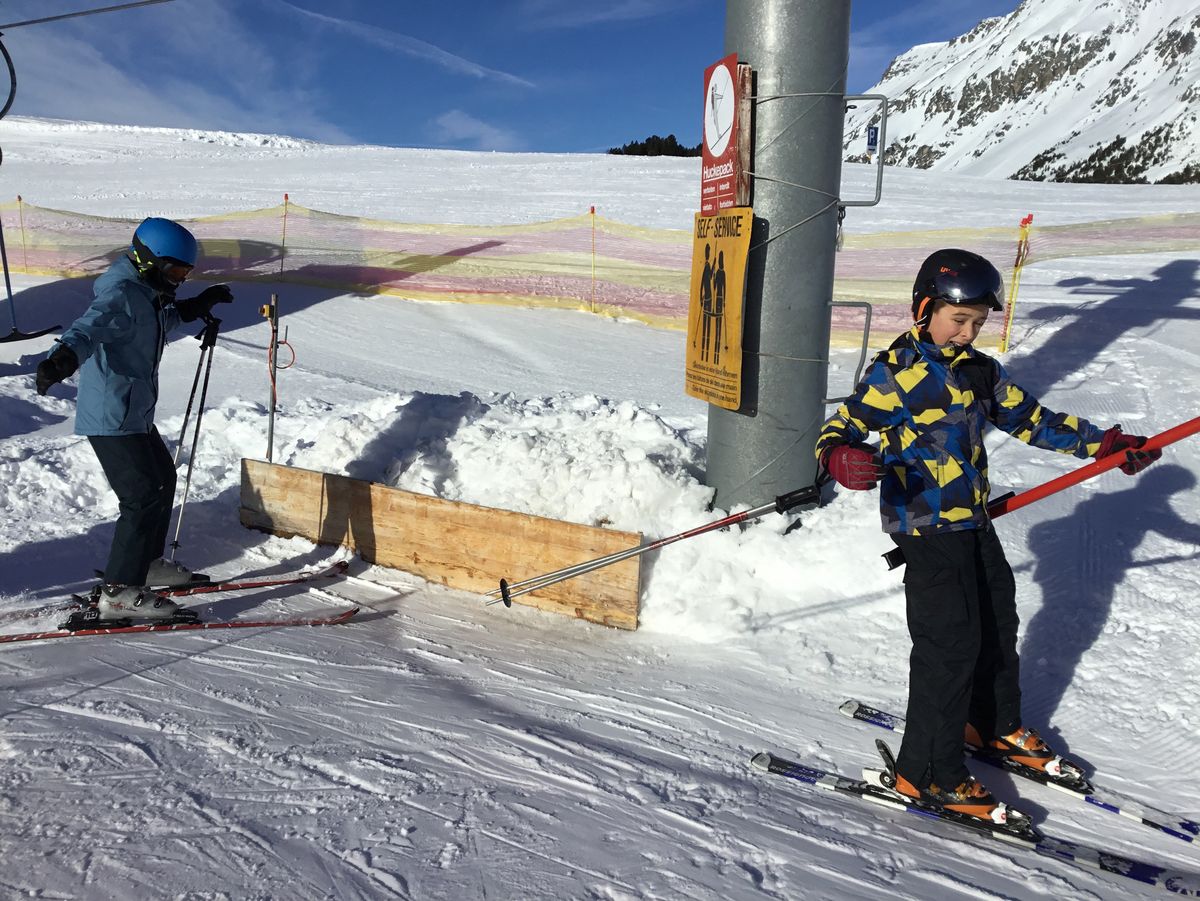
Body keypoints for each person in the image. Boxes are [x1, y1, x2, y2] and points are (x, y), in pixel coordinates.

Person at [814, 248, 1160, 825]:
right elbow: (839, 428)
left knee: (998, 621)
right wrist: (838, 457)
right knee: (948, 646)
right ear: (924, 310)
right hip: (925, 527)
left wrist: (1102, 446)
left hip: (973, 521)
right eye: (958, 320)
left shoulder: (978, 370)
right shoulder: (894, 373)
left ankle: (991, 725)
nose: (968, 333)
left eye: (977, 323)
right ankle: (928, 772)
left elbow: (1031, 419)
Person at [36, 217, 234, 621]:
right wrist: (62, 358)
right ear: (148, 260)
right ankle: (119, 591)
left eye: (185, 273)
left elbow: (159, 321)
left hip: (135, 411)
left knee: (163, 480)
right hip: (111, 414)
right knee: (141, 496)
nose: (179, 279)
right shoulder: (121, 292)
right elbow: (87, 329)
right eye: (174, 271)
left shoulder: (147, 291)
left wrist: (196, 305)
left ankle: (147, 564)